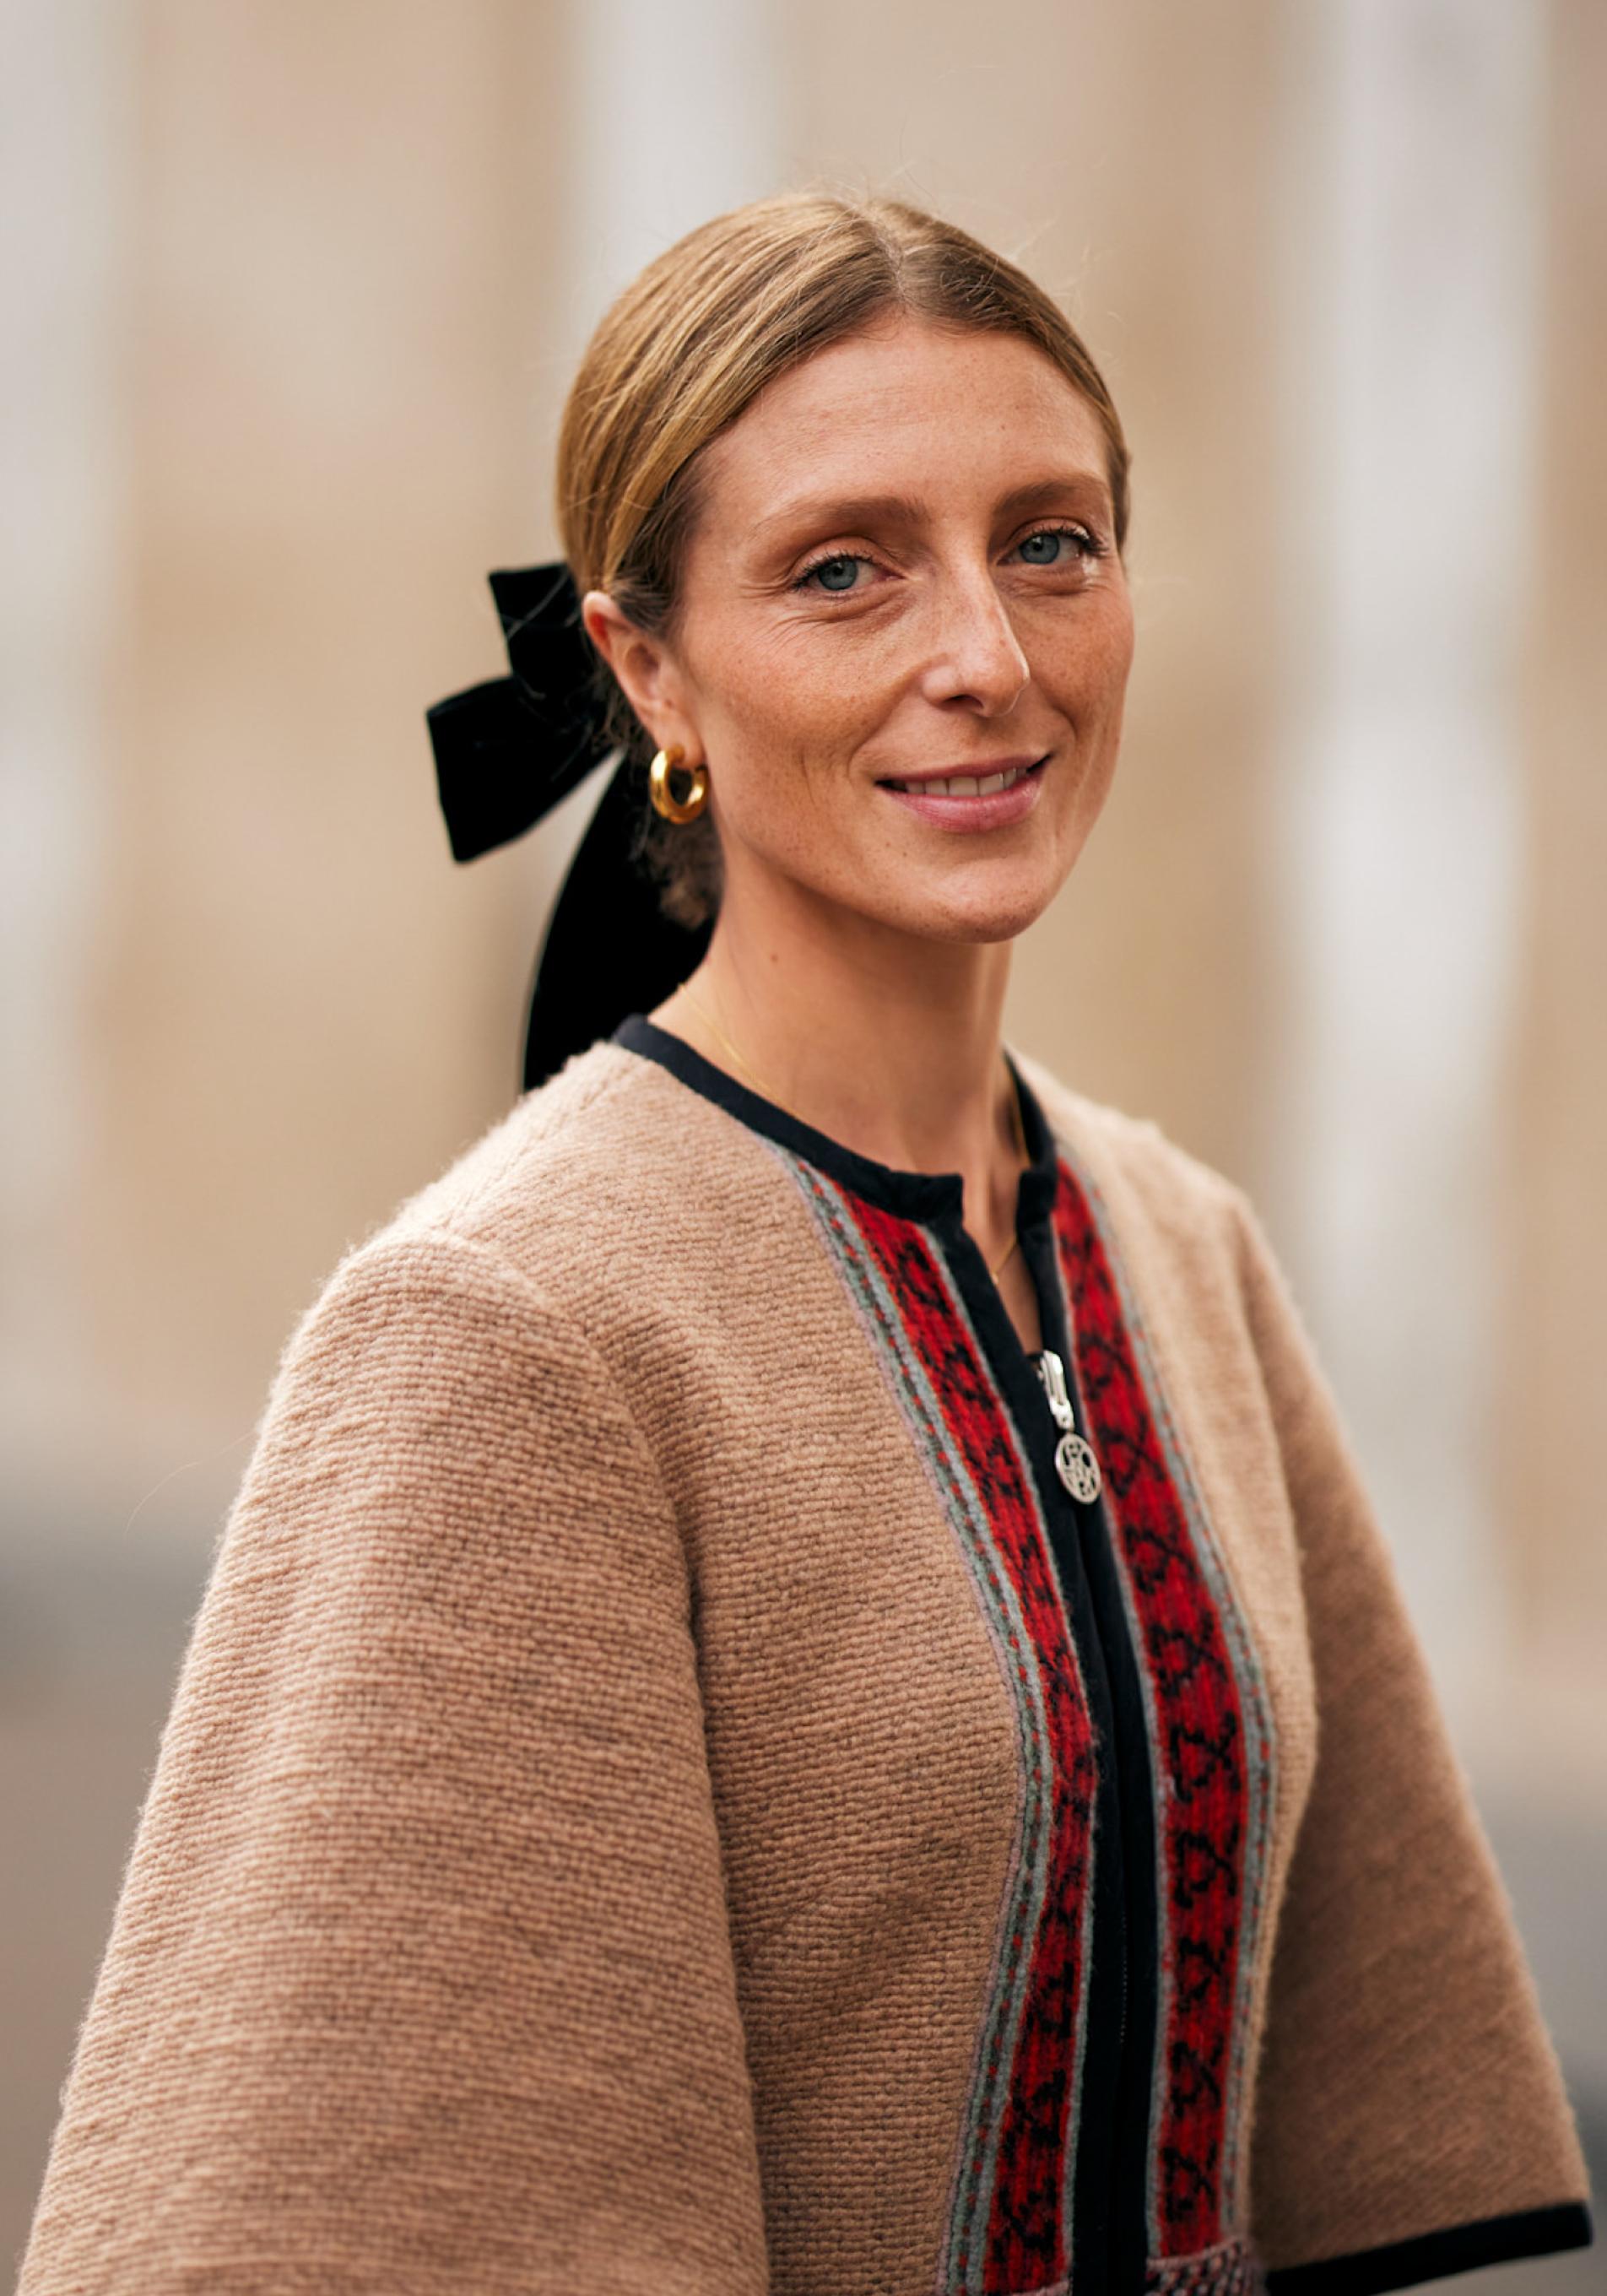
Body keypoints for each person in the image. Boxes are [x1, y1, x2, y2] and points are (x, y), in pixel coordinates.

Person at [19, 192, 1593, 2296]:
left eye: (1051, 542)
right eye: (845, 568)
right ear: (645, 666)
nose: (988, 657)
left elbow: (1370, 2115)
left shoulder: (1182, 1249)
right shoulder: (509, 1329)